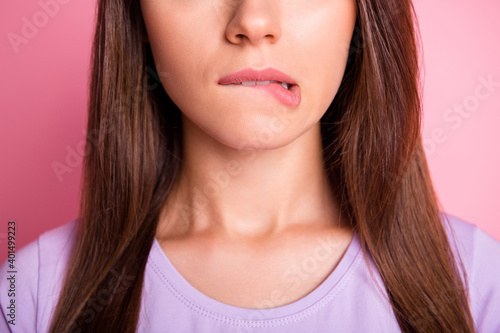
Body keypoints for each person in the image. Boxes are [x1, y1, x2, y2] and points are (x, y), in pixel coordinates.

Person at [1, 0, 499, 332]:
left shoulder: (480, 285)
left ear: (360, 16)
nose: (254, 21)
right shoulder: (27, 297)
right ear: (139, 16)